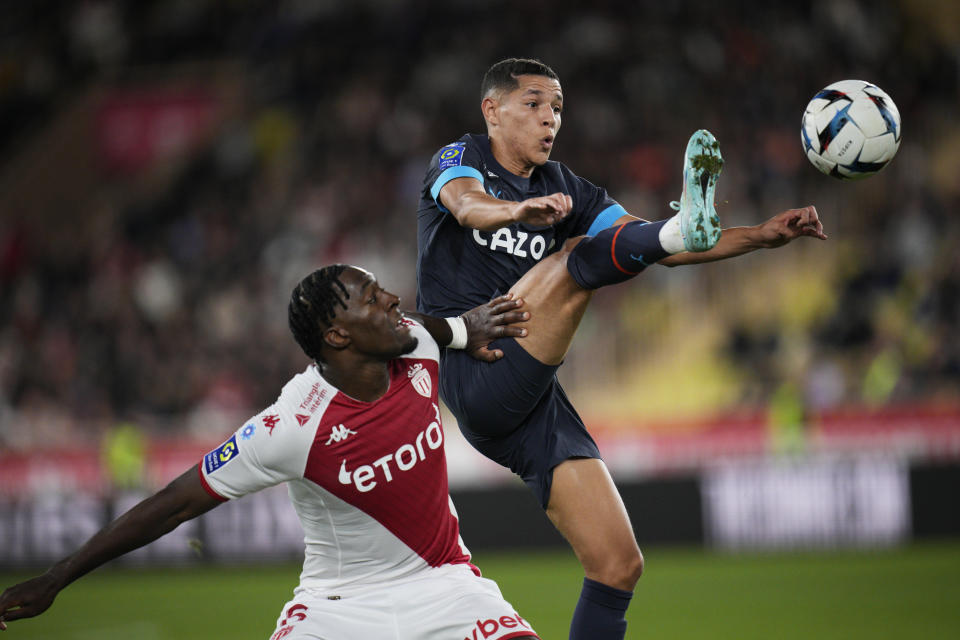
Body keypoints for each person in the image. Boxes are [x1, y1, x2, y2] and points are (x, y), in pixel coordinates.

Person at [416, 57, 827, 640]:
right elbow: (464, 205)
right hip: (475, 367)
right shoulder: (460, 160)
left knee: (618, 565)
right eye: (533, 104)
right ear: (492, 110)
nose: (549, 119)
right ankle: (680, 221)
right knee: (577, 256)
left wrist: (760, 236)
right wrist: (517, 210)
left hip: (535, 401)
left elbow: (653, 246)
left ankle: (683, 221)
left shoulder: (566, 188)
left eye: (557, 107)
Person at [0, 265, 540, 640]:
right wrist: (58, 577)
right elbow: (174, 503)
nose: (393, 301)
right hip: (338, 608)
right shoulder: (291, 427)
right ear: (337, 335)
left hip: (445, 584)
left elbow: (454, 328)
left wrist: (473, 326)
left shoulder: (416, 340)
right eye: (372, 299)